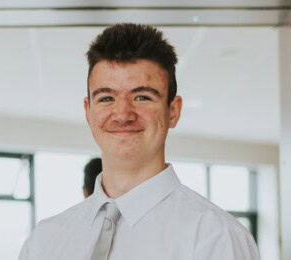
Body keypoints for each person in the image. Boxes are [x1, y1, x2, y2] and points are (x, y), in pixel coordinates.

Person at [18, 23, 259, 260]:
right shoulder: (44, 242)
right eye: (106, 98)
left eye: (142, 97)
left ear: (173, 112)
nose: (122, 114)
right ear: (88, 112)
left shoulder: (217, 237)